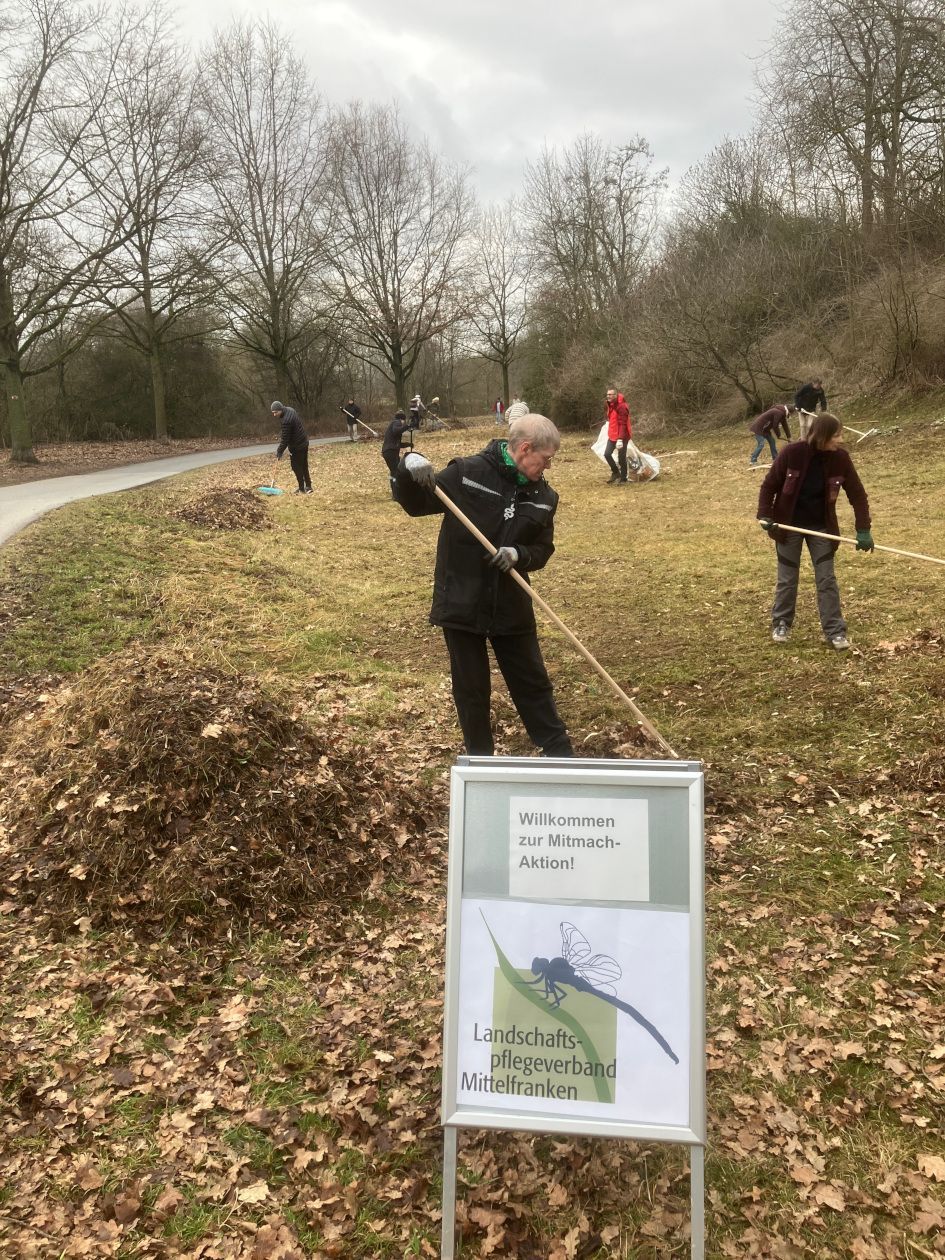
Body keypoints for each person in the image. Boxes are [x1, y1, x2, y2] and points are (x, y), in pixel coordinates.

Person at [395, 414, 574, 758]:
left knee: (533, 683)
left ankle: (560, 755)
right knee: (472, 690)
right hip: (463, 601)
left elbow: (542, 549)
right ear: (525, 449)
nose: (548, 467)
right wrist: (408, 467)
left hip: (511, 605)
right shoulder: (467, 473)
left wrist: (518, 554)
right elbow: (416, 504)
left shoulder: (544, 497)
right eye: (546, 458)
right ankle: (480, 762)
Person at [757, 412, 873, 651]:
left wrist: (863, 529)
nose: (840, 440)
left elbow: (858, 496)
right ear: (822, 436)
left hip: (822, 528)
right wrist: (765, 515)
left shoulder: (841, 459)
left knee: (826, 578)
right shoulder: (792, 453)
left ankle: (835, 631)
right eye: (837, 435)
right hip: (788, 526)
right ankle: (781, 623)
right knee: (788, 579)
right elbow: (769, 486)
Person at [272, 400, 312, 494]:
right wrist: (282, 433)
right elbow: (289, 431)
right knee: (304, 465)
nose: (274, 415)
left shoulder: (286, 420)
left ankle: (302, 489)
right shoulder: (290, 409)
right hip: (304, 441)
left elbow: (285, 440)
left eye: (276, 412)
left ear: (280, 409)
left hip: (297, 446)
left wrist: (279, 451)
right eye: (273, 413)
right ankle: (309, 486)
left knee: (296, 467)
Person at [603, 388, 632, 484]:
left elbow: (623, 424)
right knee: (607, 454)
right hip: (612, 434)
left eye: (611, 394)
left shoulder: (622, 407)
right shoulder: (609, 404)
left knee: (621, 457)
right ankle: (616, 473)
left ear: (616, 395)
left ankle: (623, 478)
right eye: (607, 394)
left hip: (622, 435)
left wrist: (620, 439)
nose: (608, 396)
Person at [381, 408, 413, 496]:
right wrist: (407, 426)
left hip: (388, 451)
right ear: (402, 419)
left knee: (394, 471)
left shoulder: (394, 424)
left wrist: (408, 444)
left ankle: (395, 492)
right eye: (404, 420)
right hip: (391, 452)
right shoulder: (396, 422)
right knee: (396, 472)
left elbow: (396, 442)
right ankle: (396, 493)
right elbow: (396, 431)